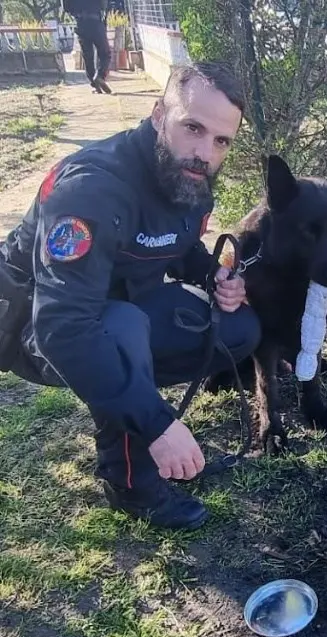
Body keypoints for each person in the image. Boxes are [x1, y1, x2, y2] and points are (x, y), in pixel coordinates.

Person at [0, 61, 261, 531]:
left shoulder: (190, 176)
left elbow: (178, 244)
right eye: (193, 128)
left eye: (222, 140)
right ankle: (129, 480)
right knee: (120, 331)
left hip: (116, 313)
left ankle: (126, 395)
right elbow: (61, 326)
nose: (205, 152)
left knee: (239, 328)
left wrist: (215, 278)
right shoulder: (92, 189)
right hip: (32, 323)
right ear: (159, 114)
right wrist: (158, 424)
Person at [62, 0, 113, 94]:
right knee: (105, 53)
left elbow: (66, 7)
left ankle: (95, 84)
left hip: (80, 23)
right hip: (95, 21)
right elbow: (103, 4)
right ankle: (100, 76)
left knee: (88, 56)